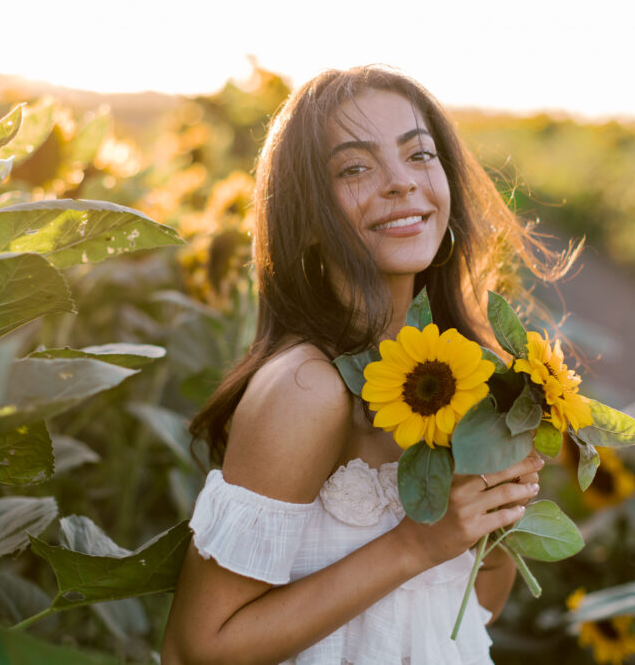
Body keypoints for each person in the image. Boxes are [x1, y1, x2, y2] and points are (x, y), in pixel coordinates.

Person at [162, 65, 573, 664]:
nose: (401, 183)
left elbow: (466, 611)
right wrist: (415, 543)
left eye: (419, 155)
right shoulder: (307, 388)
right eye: (355, 167)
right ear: (303, 218)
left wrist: (495, 511)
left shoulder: (473, 381)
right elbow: (196, 650)